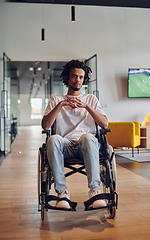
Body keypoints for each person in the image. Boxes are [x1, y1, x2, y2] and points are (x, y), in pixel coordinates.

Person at [41, 59, 108, 209]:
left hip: (87, 145)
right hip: (65, 146)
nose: (77, 80)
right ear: (67, 77)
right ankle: (62, 193)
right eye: (74, 76)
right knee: (52, 139)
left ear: (84, 79)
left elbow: (104, 124)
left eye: (80, 77)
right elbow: (45, 126)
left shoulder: (91, 99)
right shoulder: (56, 99)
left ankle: (95, 191)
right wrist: (60, 105)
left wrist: (86, 106)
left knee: (87, 137)